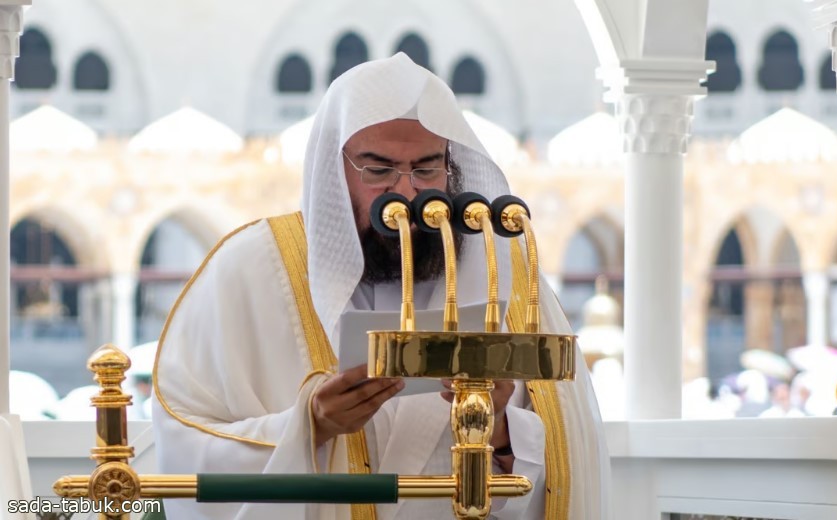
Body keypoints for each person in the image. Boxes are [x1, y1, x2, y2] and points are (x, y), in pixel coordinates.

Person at [152, 53, 609, 519]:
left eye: (427, 169)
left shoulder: (498, 272)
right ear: (335, 172)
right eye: (379, 170)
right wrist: (310, 426)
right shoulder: (248, 269)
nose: (407, 194)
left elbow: (570, 454)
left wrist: (499, 432)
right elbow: (184, 443)